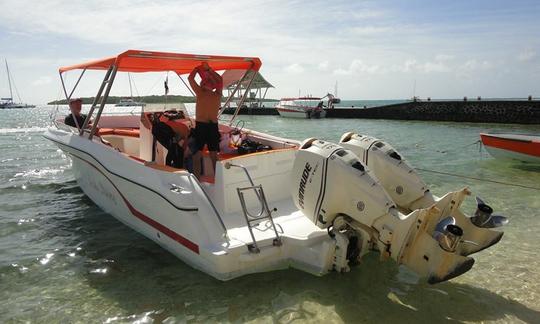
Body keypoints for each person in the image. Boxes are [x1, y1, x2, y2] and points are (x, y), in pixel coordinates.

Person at [188, 62, 223, 179]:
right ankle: (208, 179)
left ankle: (206, 180)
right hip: (209, 126)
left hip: (206, 126)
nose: (203, 82)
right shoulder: (214, 94)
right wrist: (204, 69)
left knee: (204, 155)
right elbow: (219, 80)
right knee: (206, 155)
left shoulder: (205, 93)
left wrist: (202, 69)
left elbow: (190, 78)